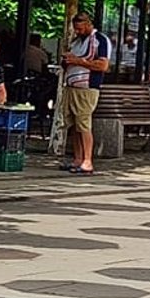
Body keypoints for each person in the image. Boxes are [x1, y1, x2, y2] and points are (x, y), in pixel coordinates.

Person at [61, 13, 110, 176]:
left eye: (80, 29)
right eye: (76, 29)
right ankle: (78, 158)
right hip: (71, 86)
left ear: (89, 24)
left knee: (83, 122)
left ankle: (88, 160)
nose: (78, 32)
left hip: (87, 87)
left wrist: (78, 61)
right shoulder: (76, 42)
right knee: (74, 123)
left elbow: (102, 65)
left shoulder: (99, 40)